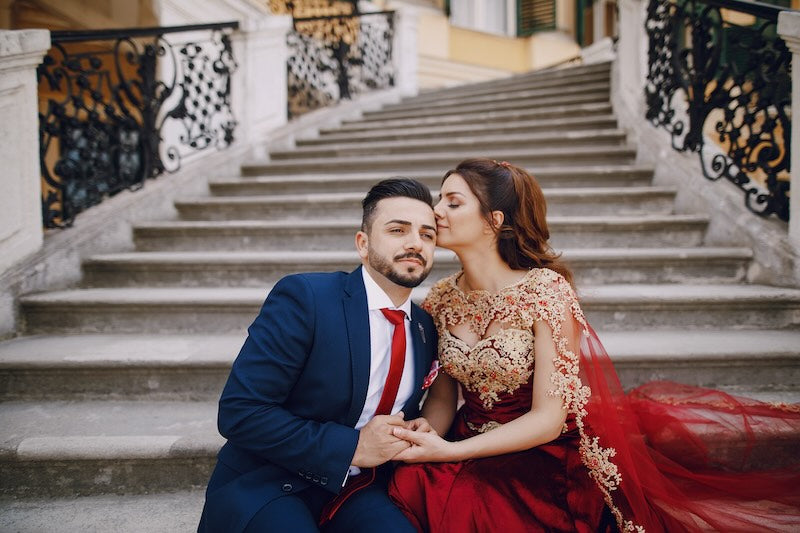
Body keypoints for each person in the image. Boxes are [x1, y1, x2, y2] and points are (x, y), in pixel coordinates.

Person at [386, 158, 800, 532]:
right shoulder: (440, 297)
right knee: (406, 484)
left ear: (494, 220)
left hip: (542, 448)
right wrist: (431, 433)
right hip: (464, 435)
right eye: (440, 199)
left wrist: (452, 453)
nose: (435, 211)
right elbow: (442, 394)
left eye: (452, 202)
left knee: (479, 503)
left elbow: (548, 419)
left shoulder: (547, 292)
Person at [198, 178, 440, 533]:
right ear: (363, 243)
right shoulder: (306, 298)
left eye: (427, 234)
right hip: (272, 480)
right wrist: (352, 447)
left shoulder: (424, 327)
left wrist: (410, 428)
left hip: (361, 488)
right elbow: (240, 412)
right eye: (397, 230)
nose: (415, 243)